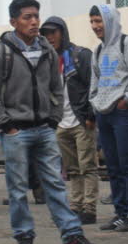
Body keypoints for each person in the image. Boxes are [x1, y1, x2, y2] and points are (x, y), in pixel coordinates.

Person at [0, 0, 102, 244]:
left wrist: (53, 119)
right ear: (14, 22)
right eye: (27, 17)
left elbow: (56, 89)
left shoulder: (46, 49)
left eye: (36, 16)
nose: (34, 21)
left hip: (45, 129)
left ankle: (72, 234)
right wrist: (7, 125)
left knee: (56, 184)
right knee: (17, 188)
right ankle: (23, 236)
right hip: (16, 131)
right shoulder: (0, 52)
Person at [89, 4, 128, 232]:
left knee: (127, 164)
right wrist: (95, 102)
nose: (95, 26)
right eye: (92, 22)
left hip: (124, 113)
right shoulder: (98, 50)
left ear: (110, 20)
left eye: (99, 21)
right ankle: (120, 212)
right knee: (112, 166)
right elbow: (95, 80)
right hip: (105, 115)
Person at [41, 16, 98, 225]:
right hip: (60, 122)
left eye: (53, 32)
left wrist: (90, 115)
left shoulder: (80, 55)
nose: (49, 37)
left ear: (62, 33)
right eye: (46, 34)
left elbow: (93, 85)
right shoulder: (48, 60)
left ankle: (89, 208)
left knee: (88, 167)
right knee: (72, 169)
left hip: (81, 120)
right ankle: (75, 205)